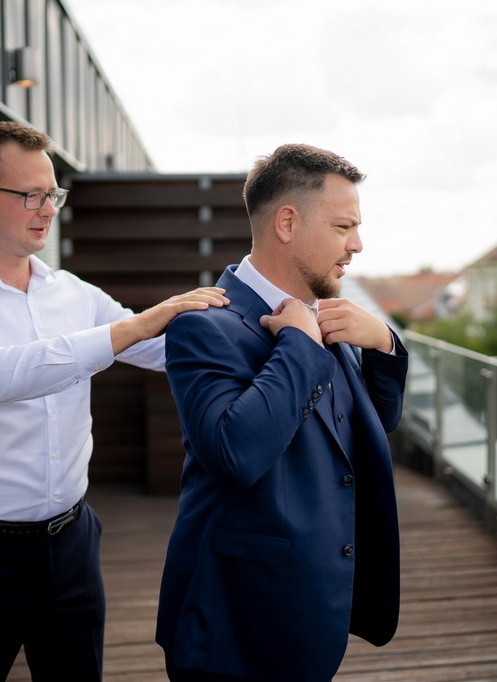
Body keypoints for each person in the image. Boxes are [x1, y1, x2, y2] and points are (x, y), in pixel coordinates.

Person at [0, 121, 228, 681]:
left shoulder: (74, 292)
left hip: (72, 542)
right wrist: (137, 324)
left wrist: (282, 325)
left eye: (53, 194)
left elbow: (167, 351)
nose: (48, 209)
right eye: (30, 195)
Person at [155, 143, 409, 681]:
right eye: (343, 227)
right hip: (234, 632)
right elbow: (235, 454)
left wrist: (384, 342)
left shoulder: (326, 315)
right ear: (287, 223)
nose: (357, 244)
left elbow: (372, 425)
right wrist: (299, 343)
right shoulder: (203, 325)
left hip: (314, 615)